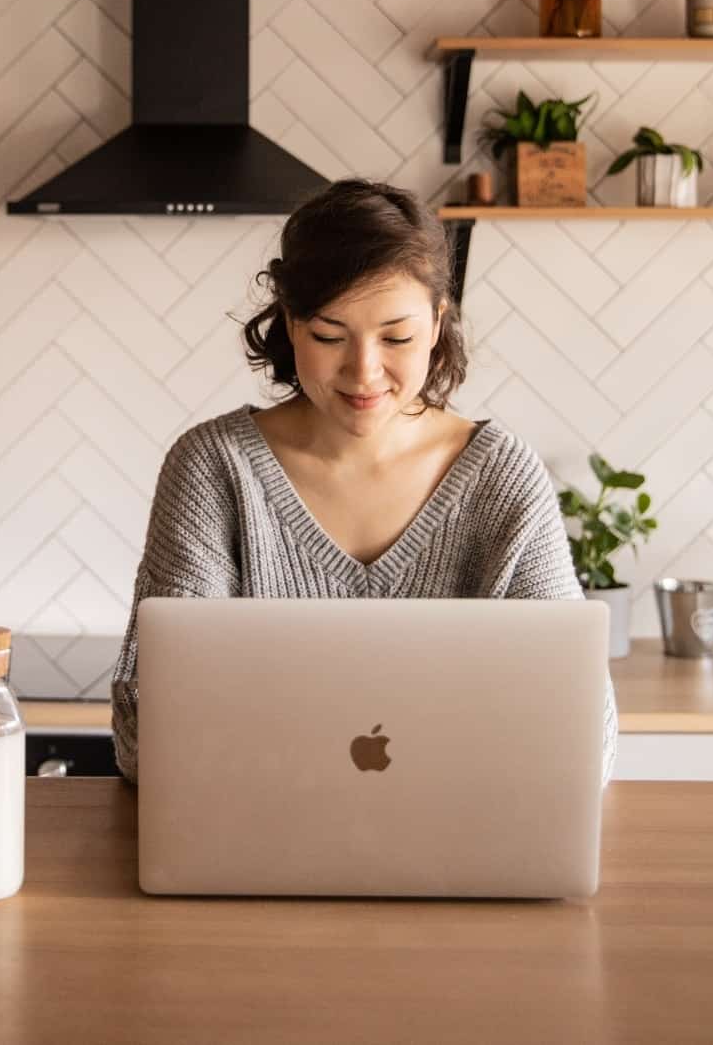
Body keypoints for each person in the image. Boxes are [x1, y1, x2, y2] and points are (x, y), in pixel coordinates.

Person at [110, 178, 617, 786]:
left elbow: (585, 738)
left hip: (460, 855)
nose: (364, 371)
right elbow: (146, 737)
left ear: (436, 323)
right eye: (329, 336)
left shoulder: (502, 479)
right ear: (291, 324)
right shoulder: (213, 470)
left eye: (396, 337)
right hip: (258, 855)